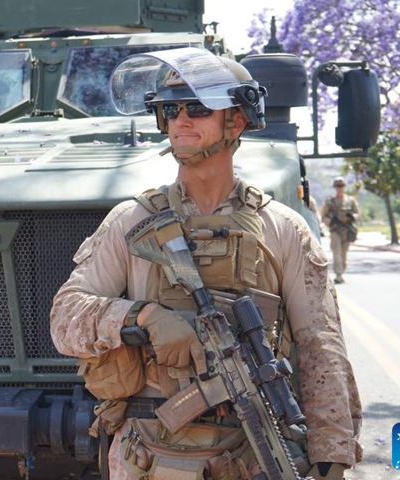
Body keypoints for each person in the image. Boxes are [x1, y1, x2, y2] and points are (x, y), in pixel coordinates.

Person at [50, 48, 362, 480]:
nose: (181, 120)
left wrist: (332, 453)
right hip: (147, 450)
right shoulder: (133, 221)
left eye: (197, 108)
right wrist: (143, 316)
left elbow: (320, 347)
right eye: (169, 109)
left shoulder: (282, 228)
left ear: (235, 121)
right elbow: (65, 318)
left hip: (253, 450)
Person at [320, 177, 360, 284]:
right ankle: (338, 274)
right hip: (335, 230)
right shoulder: (330, 202)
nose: (339, 188)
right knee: (336, 252)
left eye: (341, 186)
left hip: (346, 230)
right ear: (334, 187)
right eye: (338, 186)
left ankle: (342, 271)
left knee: (344, 253)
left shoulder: (350, 201)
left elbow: (357, 214)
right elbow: (323, 216)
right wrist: (331, 221)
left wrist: (352, 216)